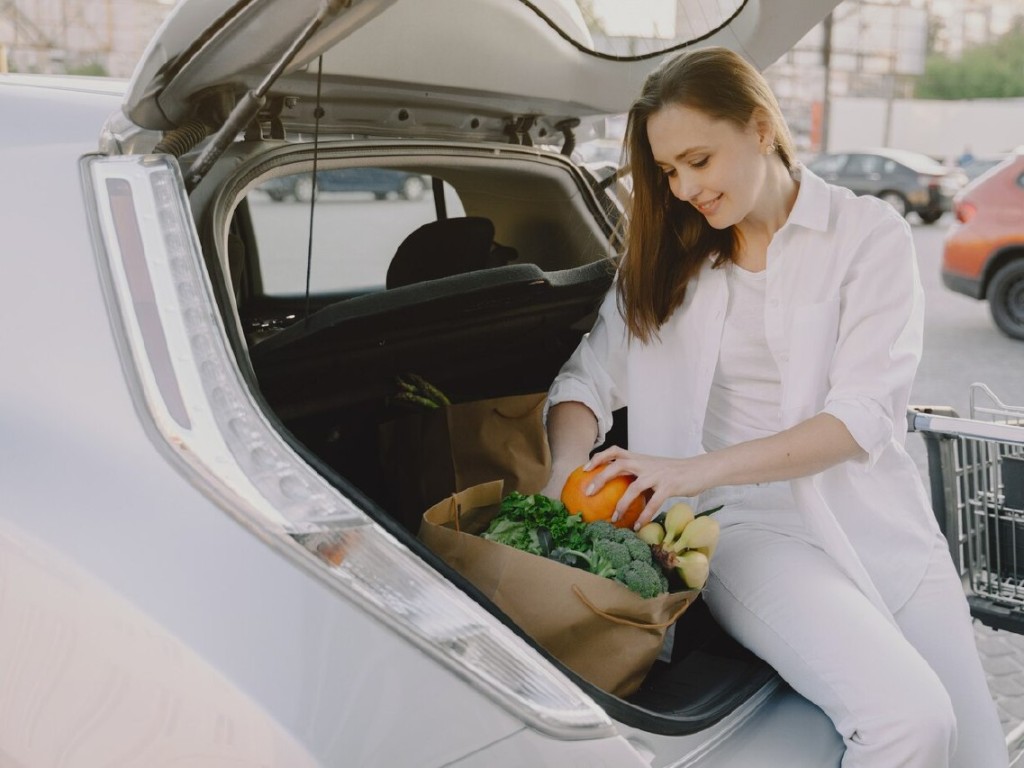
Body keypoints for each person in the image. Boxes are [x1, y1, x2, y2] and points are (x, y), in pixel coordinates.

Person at [540, 47, 1007, 767]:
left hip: (877, 520)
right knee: (911, 726)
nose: (684, 187)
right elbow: (584, 383)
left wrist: (686, 469)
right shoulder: (666, 262)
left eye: (698, 159)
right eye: (667, 172)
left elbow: (861, 418)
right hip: (742, 530)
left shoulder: (867, 236)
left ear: (761, 128)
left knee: (975, 753)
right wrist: (564, 473)